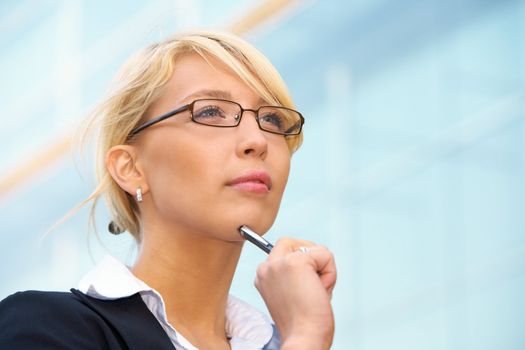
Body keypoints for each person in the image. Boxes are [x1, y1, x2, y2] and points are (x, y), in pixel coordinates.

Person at [0, 30, 336, 349]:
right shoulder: (43, 326)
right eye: (210, 112)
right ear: (130, 169)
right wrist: (306, 336)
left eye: (272, 120)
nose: (257, 140)